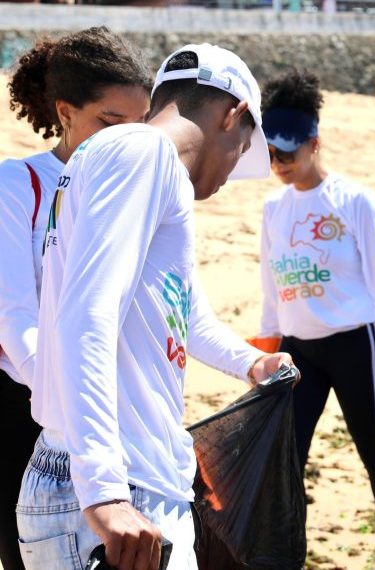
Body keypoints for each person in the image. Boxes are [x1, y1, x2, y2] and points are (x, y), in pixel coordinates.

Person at [17, 43, 292, 570]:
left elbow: (180, 312)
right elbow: (87, 314)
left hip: (119, 480)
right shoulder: (143, 155)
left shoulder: (136, 163)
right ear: (233, 114)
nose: (233, 172)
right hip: (117, 491)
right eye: (242, 150)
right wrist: (104, 493)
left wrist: (251, 363)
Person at [0, 27, 150, 570]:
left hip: (111, 406)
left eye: (141, 126)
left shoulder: (140, 188)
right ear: (64, 112)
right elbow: (15, 315)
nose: (129, 142)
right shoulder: (19, 184)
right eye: (111, 124)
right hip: (29, 406)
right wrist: (65, 395)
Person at [250, 69, 375, 555]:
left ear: (315, 143)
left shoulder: (353, 200)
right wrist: (268, 342)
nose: (278, 164)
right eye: (270, 154)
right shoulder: (274, 208)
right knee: (286, 461)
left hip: (357, 344)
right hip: (297, 353)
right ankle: (285, 556)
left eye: (287, 153)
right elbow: (271, 283)